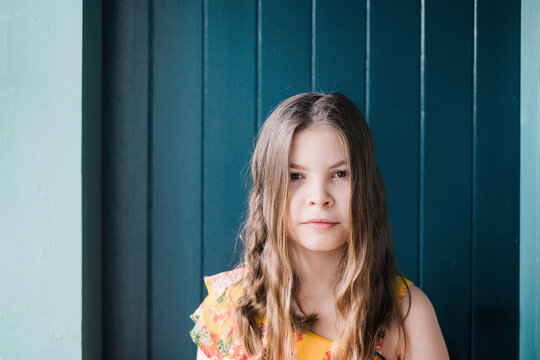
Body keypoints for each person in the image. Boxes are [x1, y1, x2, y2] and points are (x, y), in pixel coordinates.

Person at [189, 92, 449, 360]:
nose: (319, 197)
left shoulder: (407, 313)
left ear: (367, 188)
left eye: (340, 174)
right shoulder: (230, 310)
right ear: (268, 191)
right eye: (296, 176)